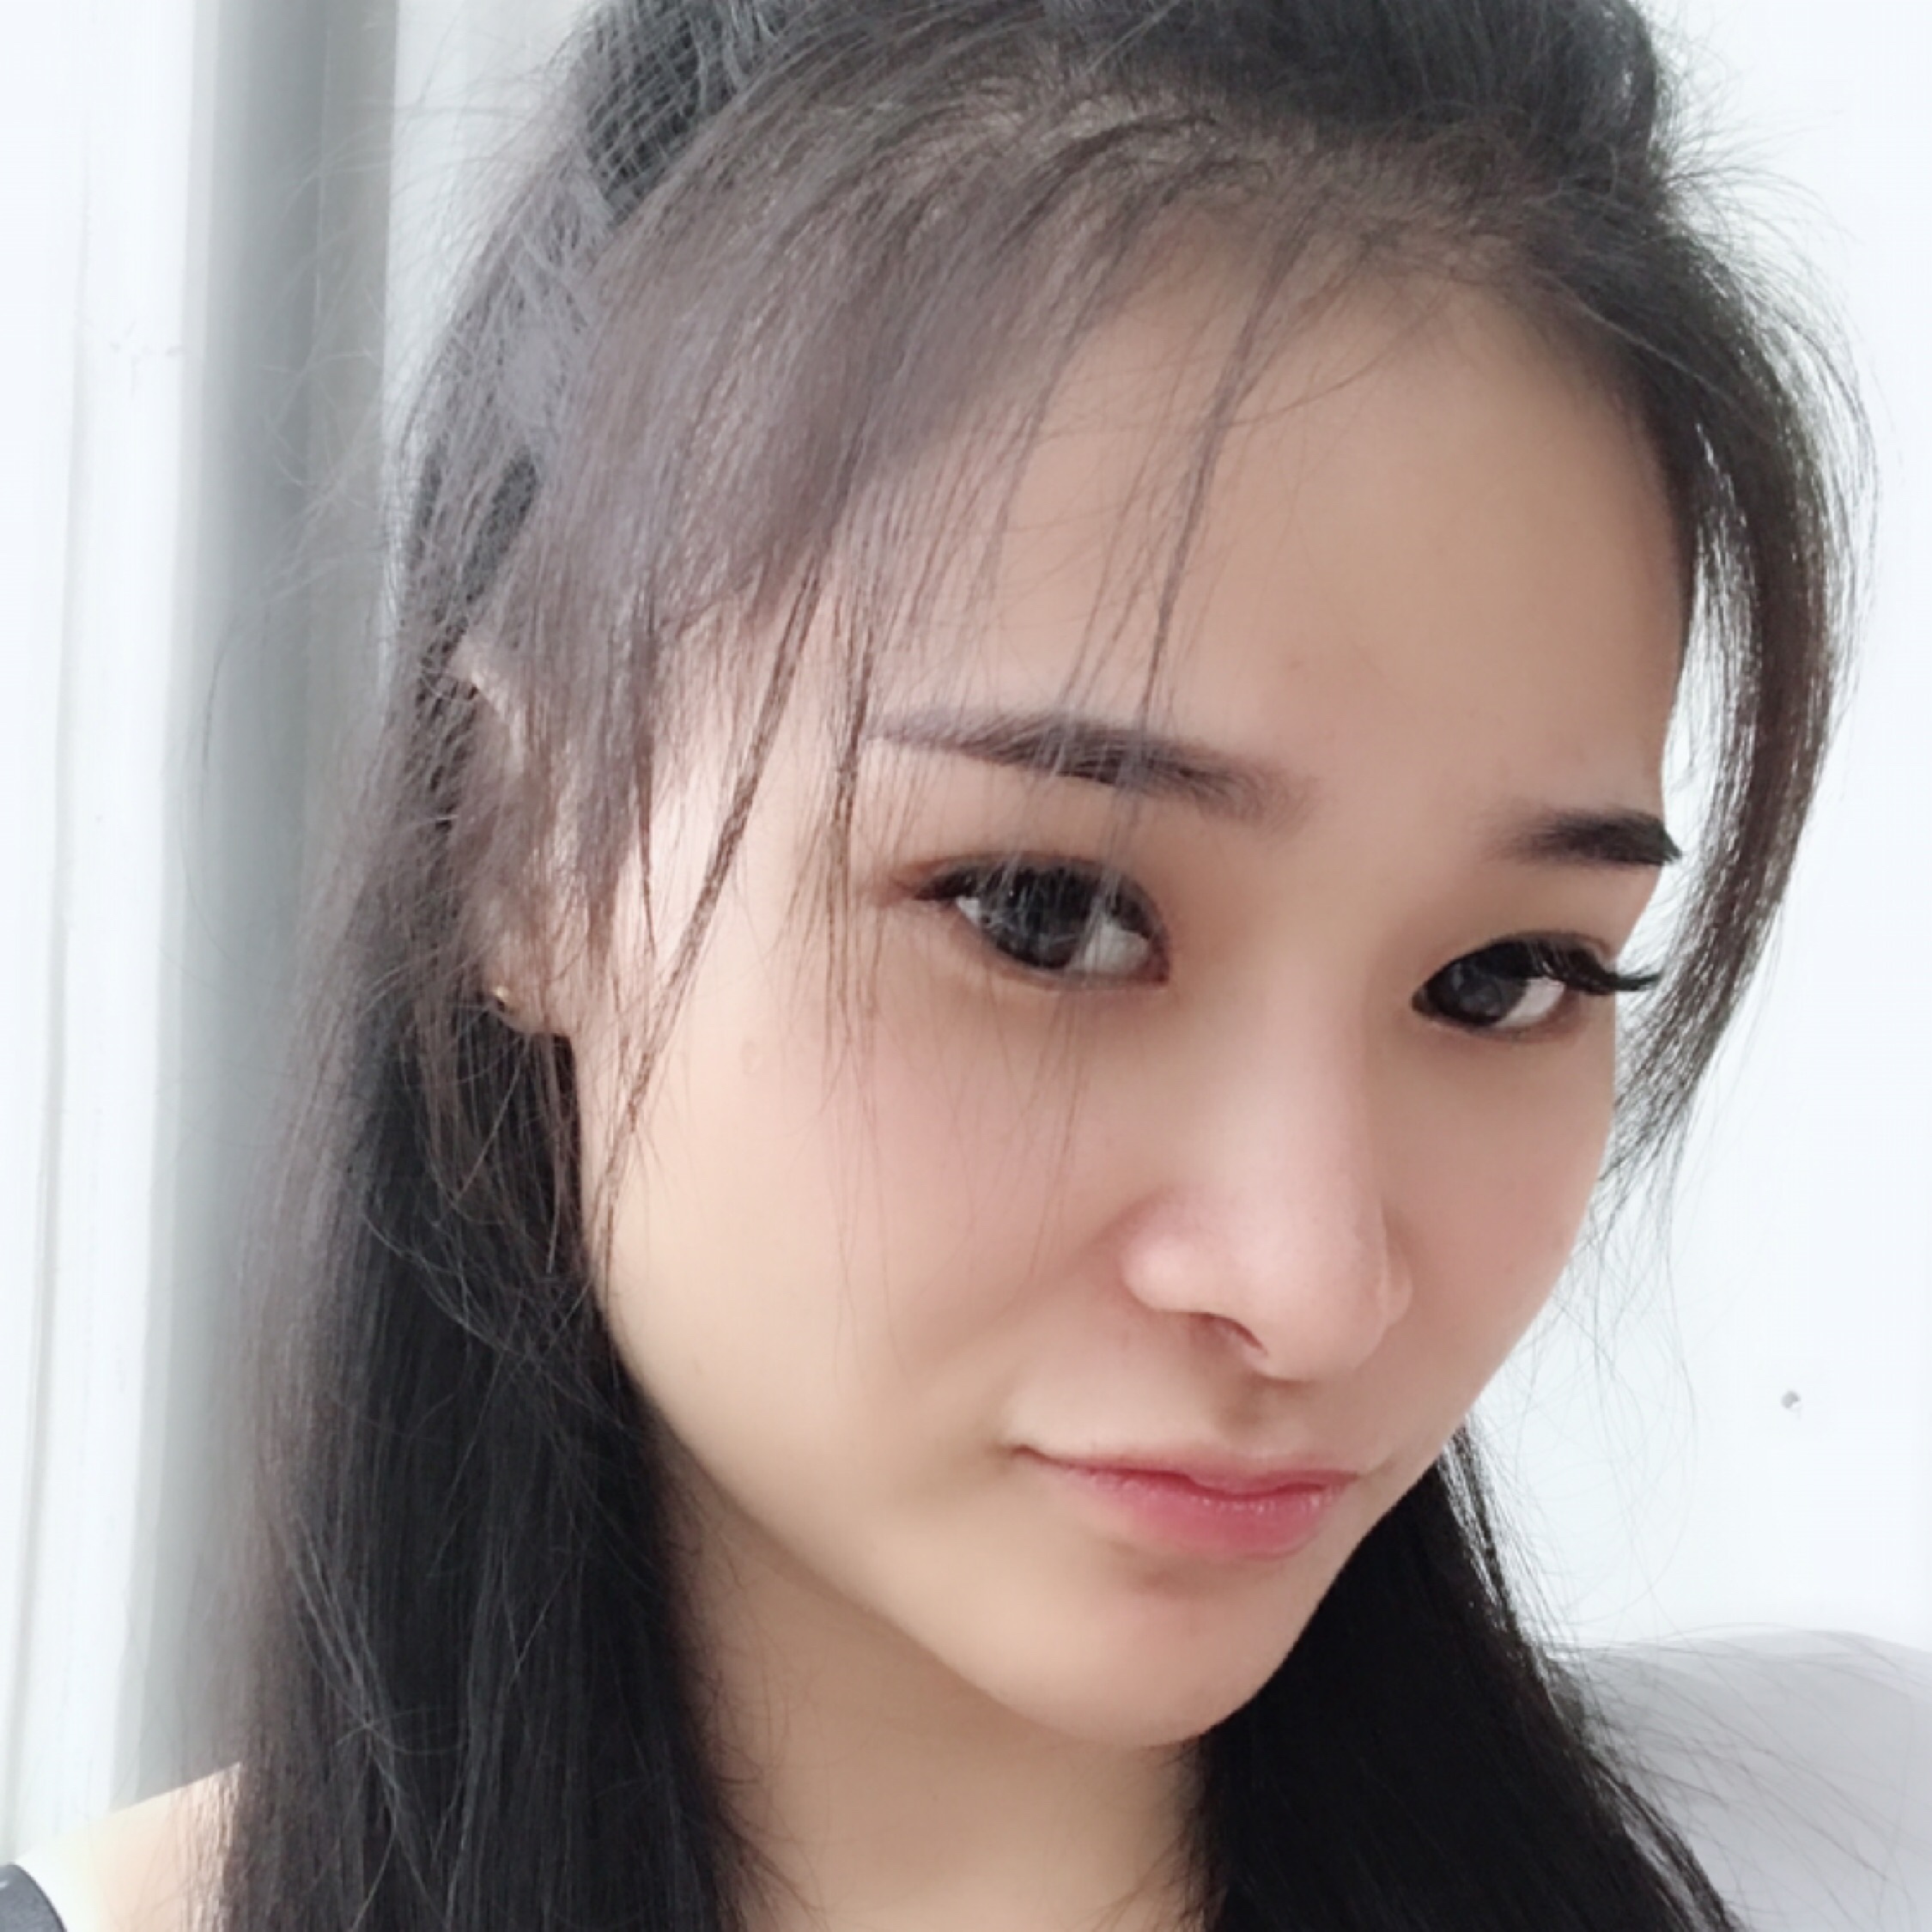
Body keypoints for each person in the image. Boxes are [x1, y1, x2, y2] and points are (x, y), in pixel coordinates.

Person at [7, 1, 1921, 1928]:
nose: (1312, 1287)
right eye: (1045, 913)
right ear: (523, 844)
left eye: (1504, 975)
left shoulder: (1850, 1848)